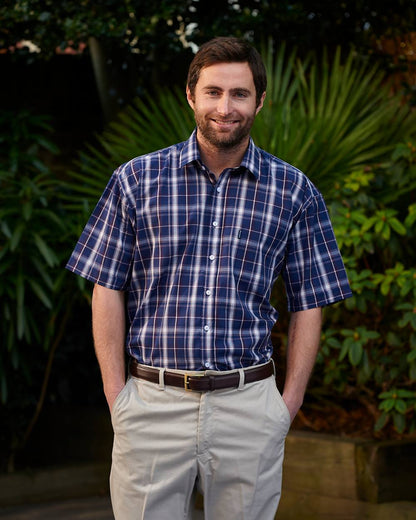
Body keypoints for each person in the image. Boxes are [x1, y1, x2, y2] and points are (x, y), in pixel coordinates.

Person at [66, 36, 352, 520]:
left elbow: (310, 300)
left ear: (259, 101)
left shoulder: (294, 191)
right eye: (214, 92)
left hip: (249, 407)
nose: (226, 106)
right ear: (191, 96)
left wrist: (288, 405)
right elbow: (106, 287)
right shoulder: (136, 180)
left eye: (240, 94)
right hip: (152, 405)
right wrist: (119, 398)